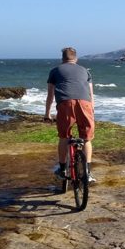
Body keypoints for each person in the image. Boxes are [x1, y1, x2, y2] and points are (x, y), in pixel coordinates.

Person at [44, 47, 96, 182]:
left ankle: (62, 169)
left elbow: (50, 95)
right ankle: (88, 173)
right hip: (86, 104)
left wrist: (47, 114)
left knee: (64, 137)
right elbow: (91, 94)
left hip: (66, 104)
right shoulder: (85, 71)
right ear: (76, 58)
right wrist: (92, 111)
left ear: (62, 59)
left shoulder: (55, 71)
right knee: (86, 139)